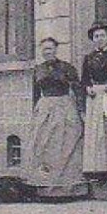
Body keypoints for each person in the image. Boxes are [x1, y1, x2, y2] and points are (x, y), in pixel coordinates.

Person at [27, 37, 88, 198]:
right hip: (45, 107)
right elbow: (35, 93)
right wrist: (35, 112)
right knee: (44, 144)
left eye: (50, 48)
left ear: (56, 49)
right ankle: (45, 187)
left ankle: (67, 188)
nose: (47, 52)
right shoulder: (38, 69)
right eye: (45, 49)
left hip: (64, 107)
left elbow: (77, 89)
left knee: (65, 144)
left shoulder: (67, 68)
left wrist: (81, 111)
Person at [80, 22, 107, 183]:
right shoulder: (89, 58)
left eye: (102, 36)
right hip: (95, 97)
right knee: (97, 134)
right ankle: (99, 171)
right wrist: (88, 88)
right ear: (92, 39)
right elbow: (84, 79)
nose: (99, 39)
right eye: (96, 36)